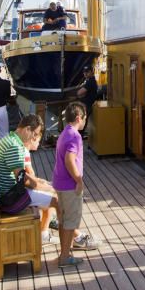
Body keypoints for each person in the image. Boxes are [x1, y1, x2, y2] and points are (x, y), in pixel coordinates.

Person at [0, 114, 59, 244]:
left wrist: (42, 183)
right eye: (35, 134)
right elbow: (25, 181)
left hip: (8, 193)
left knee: (51, 194)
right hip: (11, 199)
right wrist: (48, 187)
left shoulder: (10, 139)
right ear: (27, 129)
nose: (35, 138)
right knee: (56, 200)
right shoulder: (14, 146)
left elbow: (24, 177)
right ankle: (65, 243)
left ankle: (44, 234)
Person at [52, 102, 98, 266]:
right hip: (70, 186)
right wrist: (79, 180)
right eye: (85, 118)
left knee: (64, 221)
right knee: (71, 222)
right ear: (79, 118)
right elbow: (69, 159)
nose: (85, 121)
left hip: (59, 182)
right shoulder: (75, 136)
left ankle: (64, 253)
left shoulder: (64, 133)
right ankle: (65, 257)